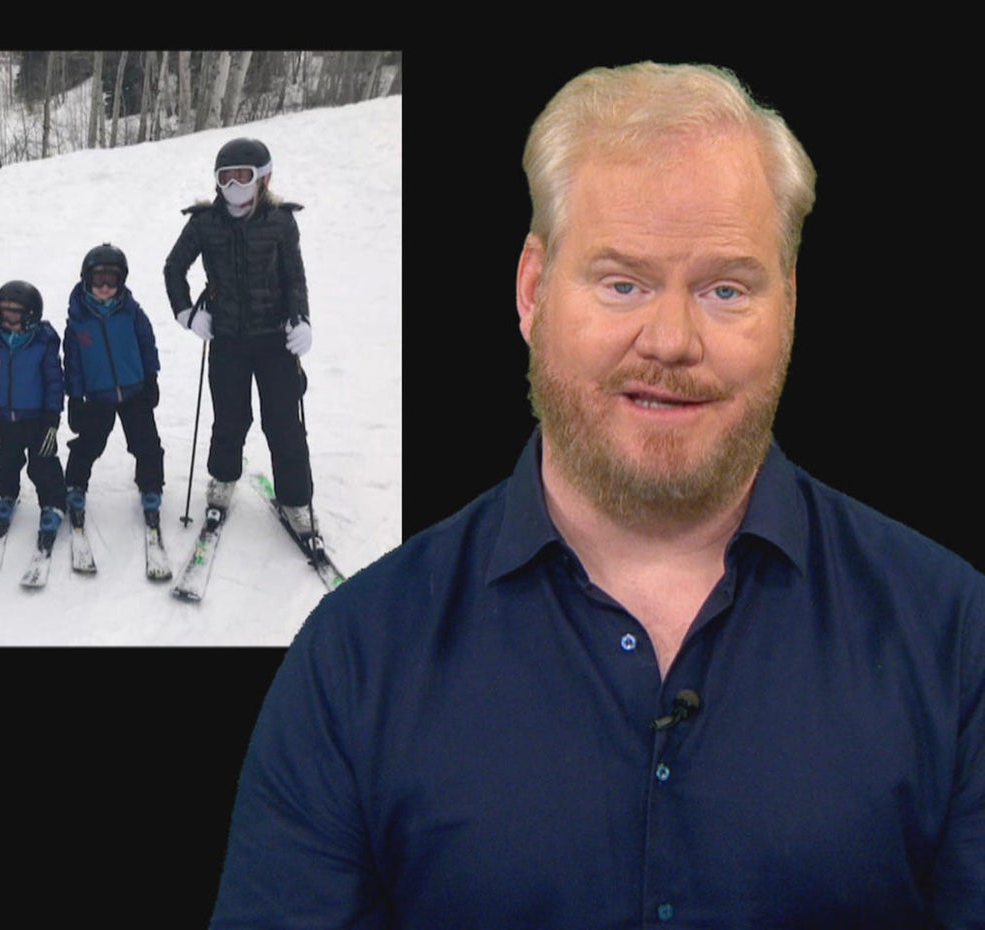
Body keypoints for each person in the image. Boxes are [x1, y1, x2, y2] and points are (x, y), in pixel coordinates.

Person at [209, 62, 985, 928]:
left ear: (791, 305)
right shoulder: (355, 661)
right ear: (533, 292)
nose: (672, 340)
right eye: (623, 283)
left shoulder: (955, 641)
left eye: (726, 289)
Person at [163, 137, 315, 534]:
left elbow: (294, 277)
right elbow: (173, 268)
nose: (233, 186)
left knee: (283, 422)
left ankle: (296, 499)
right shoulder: (204, 222)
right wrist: (186, 314)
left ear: (263, 178)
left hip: (274, 341)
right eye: (225, 178)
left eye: (242, 177)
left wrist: (301, 320)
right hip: (227, 339)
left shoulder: (281, 221)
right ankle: (223, 480)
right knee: (230, 418)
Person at [62, 243, 164, 531]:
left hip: (135, 391)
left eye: (112, 280)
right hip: (98, 396)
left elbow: (147, 345)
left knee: (147, 443)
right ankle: (75, 486)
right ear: (86, 279)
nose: (105, 287)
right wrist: (75, 397)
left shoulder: (131, 312)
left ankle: (151, 487)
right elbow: (73, 364)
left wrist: (151, 377)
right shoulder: (78, 322)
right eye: (99, 280)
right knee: (88, 444)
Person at [0, 280, 66, 552]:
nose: (10, 319)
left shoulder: (43, 345)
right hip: (6, 418)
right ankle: (6, 493)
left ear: (31, 315)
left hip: (37, 419)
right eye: (5, 313)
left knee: (42, 463)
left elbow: (55, 381)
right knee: (5, 460)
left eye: (16, 313)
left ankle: (52, 503)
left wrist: (53, 416)